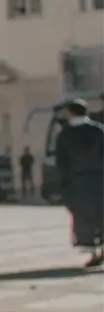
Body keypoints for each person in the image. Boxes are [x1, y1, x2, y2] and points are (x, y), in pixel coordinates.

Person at [51, 98, 104, 268]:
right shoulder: (99, 131)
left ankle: (93, 251)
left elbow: (61, 163)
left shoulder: (65, 135)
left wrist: (61, 184)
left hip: (77, 180)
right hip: (100, 178)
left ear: (71, 113)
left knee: (83, 215)